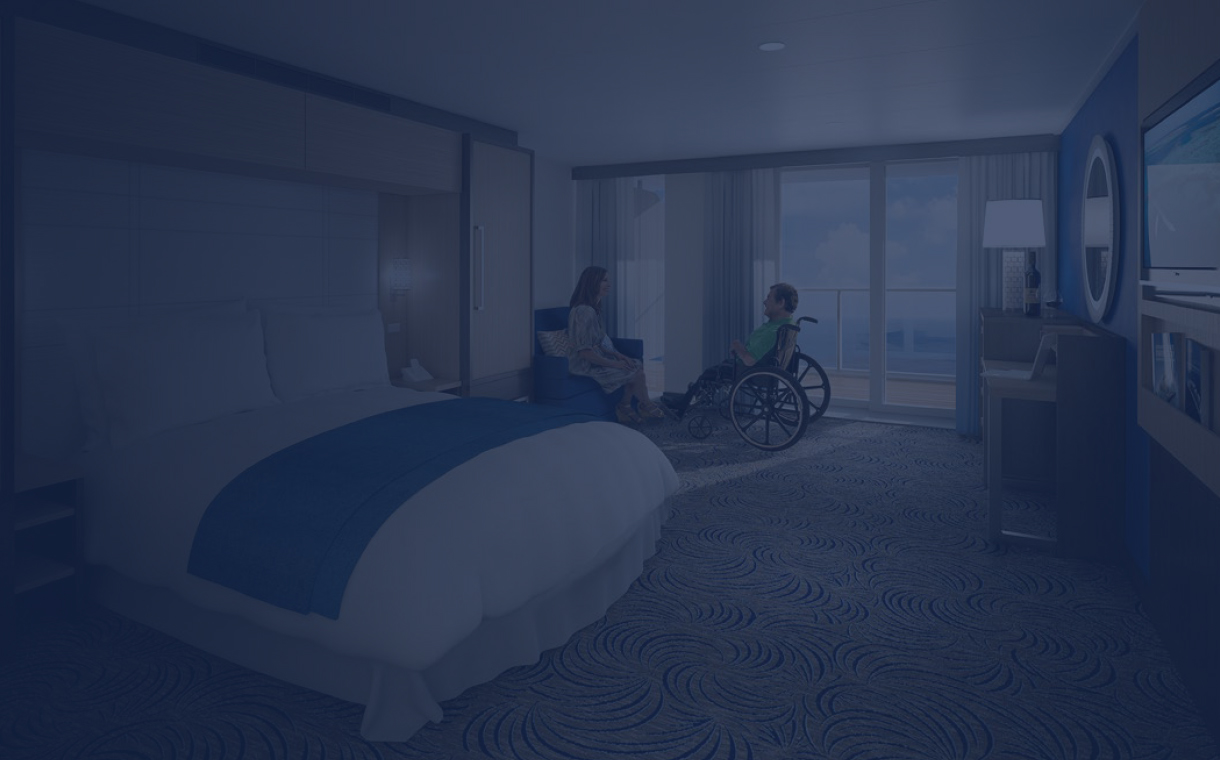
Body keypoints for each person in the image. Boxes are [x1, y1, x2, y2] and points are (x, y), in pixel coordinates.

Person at [666, 282, 799, 419]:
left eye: (769, 298)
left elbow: (749, 360)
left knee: (709, 374)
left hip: (753, 372)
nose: (764, 302)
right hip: (766, 368)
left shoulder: (774, 331)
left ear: (781, 302)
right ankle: (693, 396)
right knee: (716, 370)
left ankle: (684, 405)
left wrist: (737, 346)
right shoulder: (789, 324)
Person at [567, 265, 665, 424]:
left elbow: (598, 342)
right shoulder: (583, 312)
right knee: (635, 372)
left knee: (634, 364)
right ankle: (642, 404)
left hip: (595, 361)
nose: (609, 284)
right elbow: (584, 352)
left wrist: (619, 356)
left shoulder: (594, 310)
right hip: (584, 366)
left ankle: (627, 405)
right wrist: (615, 364)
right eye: (604, 280)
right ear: (593, 282)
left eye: (608, 281)